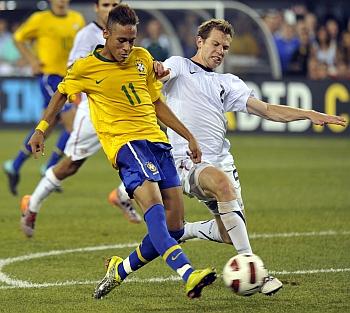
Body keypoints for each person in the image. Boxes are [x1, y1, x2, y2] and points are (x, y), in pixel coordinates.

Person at [110, 18, 346, 295]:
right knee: (222, 186)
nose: (220, 51)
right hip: (188, 162)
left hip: (223, 162)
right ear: (200, 42)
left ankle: (182, 232)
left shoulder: (228, 82)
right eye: (215, 44)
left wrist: (307, 114)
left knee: (229, 231)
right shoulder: (181, 66)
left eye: (225, 47)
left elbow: (266, 110)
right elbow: (161, 71)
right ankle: (255, 266)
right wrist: (157, 69)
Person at [28, 4, 216, 300]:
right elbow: (62, 92)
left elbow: (156, 103)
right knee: (153, 208)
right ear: (106, 34)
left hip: (158, 143)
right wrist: (41, 129)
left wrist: (188, 136)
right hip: (127, 145)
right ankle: (188, 273)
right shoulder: (86, 67)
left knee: (176, 226)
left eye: (132, 40)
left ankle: (120, 269)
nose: (128, 47)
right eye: (121, 41)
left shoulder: (143, 58)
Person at [19, 0, 142, 239]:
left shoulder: (128, 35)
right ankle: (32, 205)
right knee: (70, 165)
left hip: (124, 112)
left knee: (148, 153)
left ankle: (122, 196)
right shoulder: (87, 35)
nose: (110, 8)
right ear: (96, 8)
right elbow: (73, 70)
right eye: (105, 4)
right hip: (94, 110)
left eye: (115, 3)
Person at [3, 0, 85, 196]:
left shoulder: (77, 19)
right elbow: (18, 38)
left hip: (70, 77)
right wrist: (32, 60)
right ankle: (49, 168)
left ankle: (14, 165)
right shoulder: (40, 19)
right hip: (50, 77)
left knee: (46, 126)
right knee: (72, 125)